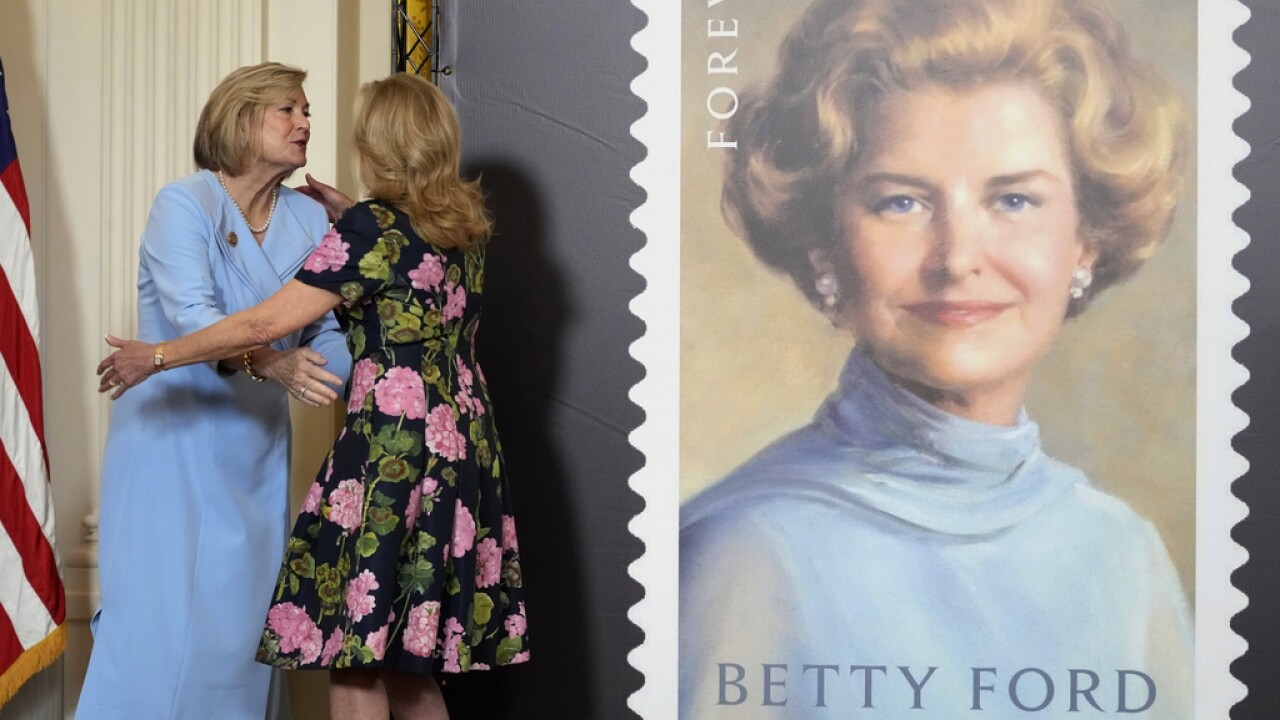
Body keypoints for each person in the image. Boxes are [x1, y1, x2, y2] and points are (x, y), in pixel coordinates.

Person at [678, 0, 1192, 717]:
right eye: (901, 203)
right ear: (824, 243)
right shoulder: (741, 555)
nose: (957, 258)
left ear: (1087, 240)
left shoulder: (1125, 555)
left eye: (1014, 200)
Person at [97, 72, 530, 720]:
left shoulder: (369, 229)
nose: (306, 122)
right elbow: (400, 268)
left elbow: (262, 325)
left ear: (378, 143)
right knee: (406, 662)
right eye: (288, 109)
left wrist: (155, 356)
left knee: (354, 653)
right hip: (463, 451)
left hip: (390, 456)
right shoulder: (462, 230)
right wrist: (351, 217)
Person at [77, 62, 353, 719]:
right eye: (288, 110)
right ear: (241, 120)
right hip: (170, 449)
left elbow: (330, 332)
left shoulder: (311, 219)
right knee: (159, 629)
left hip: (253, 452)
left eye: (307, 111)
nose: (304, 123)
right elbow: (193, 316)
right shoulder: (185, 203)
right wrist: (275, 363)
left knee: (237, 638)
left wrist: (328, 375)